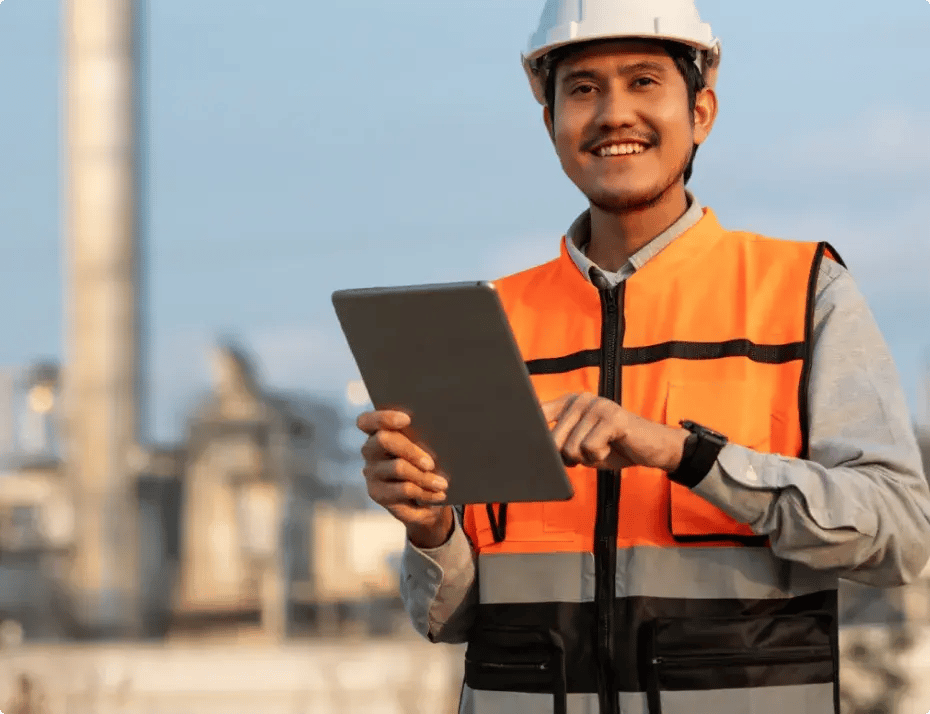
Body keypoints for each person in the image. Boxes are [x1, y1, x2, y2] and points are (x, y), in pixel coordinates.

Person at [356, 1, 930, 713]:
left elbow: (900, 538)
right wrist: (429, 527)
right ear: (550, 123)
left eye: (644, 81)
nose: (613, 113)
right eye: (585, 88)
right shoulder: (490, 321)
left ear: (702, 112)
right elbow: (451, 619)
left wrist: (686, 455)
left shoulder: (803, 292)